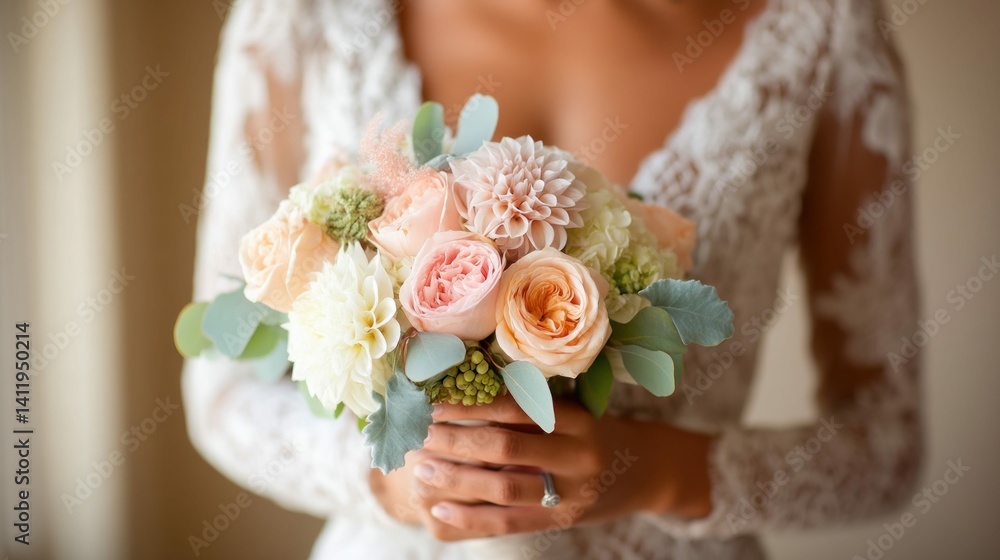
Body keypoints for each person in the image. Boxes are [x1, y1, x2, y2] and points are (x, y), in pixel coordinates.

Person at [182, 0, 923, 558]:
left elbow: (887, 446)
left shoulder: (818, 31)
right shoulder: (309, 16)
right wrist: (389, 481)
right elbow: (219, 386)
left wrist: (660, 473)